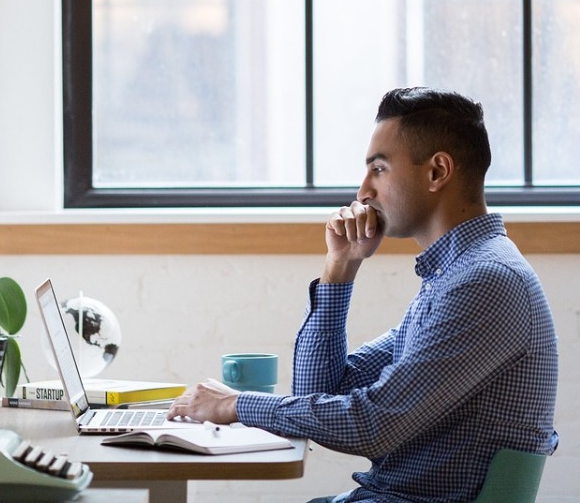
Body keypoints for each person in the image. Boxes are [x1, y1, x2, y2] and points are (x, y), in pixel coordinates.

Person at [167, 87, 558, 502]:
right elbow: (318, 392)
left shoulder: (485, 282)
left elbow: (373, 425)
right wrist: (341, 268)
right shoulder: (452, 278)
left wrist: (236, 405)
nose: (363, 192)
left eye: (379, 169)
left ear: (437, 172)